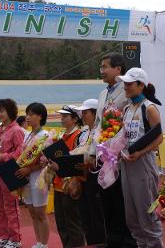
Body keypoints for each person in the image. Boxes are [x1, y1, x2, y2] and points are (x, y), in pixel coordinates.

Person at [89, 52, 137, 248]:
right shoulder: (102, 94)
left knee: (122, 199)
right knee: (106, 198)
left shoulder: (127, 92)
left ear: (118, 69)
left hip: (122, 155)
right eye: (100, 67)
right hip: (103, 155)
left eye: (105, 67)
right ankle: (113, 238)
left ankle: (127, 239)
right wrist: (93, 151)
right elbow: (98, 124)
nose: (102, 71)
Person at [116, 68, 164, 247]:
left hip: (143, 164)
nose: (126, 87)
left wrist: (141, 152)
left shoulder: (149, 108)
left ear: (141, 85)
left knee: (147, 216)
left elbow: (159, 137)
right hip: (127, 163)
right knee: (132, 218)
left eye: (129, 84)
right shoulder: (127, 108)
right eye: (125, 84)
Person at [49, 105, 85, 248]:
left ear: (75, 119)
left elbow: (78, 164)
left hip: (70, 187)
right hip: (58, 185)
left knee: (73, 224)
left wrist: (60, 167)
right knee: (61, 224)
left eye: (65, 116)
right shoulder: (62, 137)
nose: (62, 119)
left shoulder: (79, 137)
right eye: (61, 116)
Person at [0, 99, 25, 248]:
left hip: (9, 170)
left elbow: (21, 151)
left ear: (10, 112)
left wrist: (4, 156)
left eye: (2, 111)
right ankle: (4, 236)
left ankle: (15, 239)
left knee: (10, 205)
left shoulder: (16, 130)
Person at [16, 103, 50, 248]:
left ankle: (44, 244)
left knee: (40, 212)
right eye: (27, 114)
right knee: (32, 212)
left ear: (40, 116)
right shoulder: (28, 135)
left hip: (38, 178)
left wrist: (30, 169)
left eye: (31, 114)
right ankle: (38, 242)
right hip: (26, 178)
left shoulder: (45, 136)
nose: (27, 117)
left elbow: (46, 161)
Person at [74, 99, 106, 246]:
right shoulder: (83, 133)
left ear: (95, 113)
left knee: (97, 215)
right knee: (85, 215)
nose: (82, 115)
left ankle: (100, 243)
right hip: (82, 178)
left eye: (85, 112)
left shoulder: (102, 132)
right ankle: (91, 242)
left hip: (96, 177)